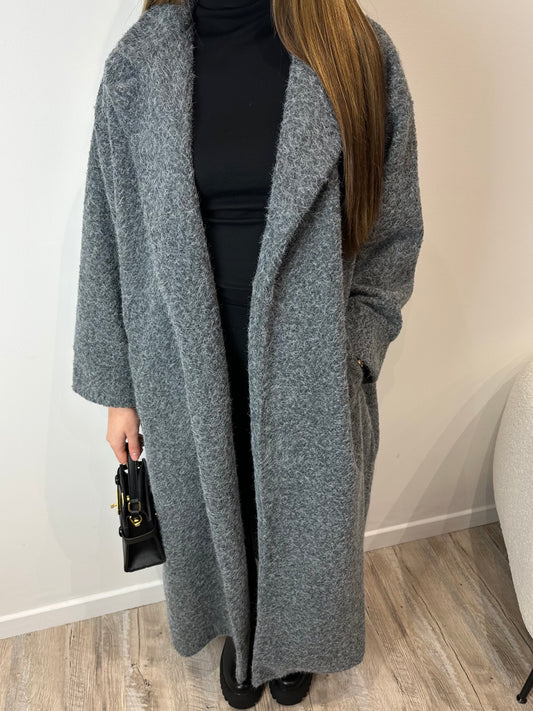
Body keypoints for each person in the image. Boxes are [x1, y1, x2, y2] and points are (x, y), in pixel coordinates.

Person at [72, 0, 424, 708]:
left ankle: (293, 641)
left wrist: (356, 352)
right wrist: (120, 391)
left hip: (310, 360)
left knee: (299, 518)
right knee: (215, 507)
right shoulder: (139, 65)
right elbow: (105, 232)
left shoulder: (354, 50)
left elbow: (395, 228)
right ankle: (242, 627)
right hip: (181, 362)